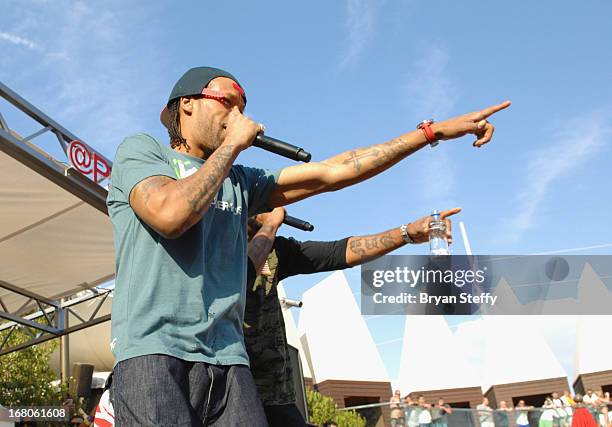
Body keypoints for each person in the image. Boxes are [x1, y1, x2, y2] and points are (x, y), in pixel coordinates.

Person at [106, 65, 510, 425]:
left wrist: (430, 133)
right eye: (227, 103)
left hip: (229, 360)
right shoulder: (143, 152)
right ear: (188, 105)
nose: (240, 117)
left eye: (243, 108)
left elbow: (336, 170)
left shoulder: (242, 181)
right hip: (154, 354)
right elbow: (170, 215)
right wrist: (233, 147)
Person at [245, 207, 459, 426]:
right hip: (230, 389)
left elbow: (339, 251)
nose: (277, 208)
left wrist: (408, 233)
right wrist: (270, 224)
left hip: (273, 397)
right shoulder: (214, 245)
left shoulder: (277, 251)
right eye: (266, 202)